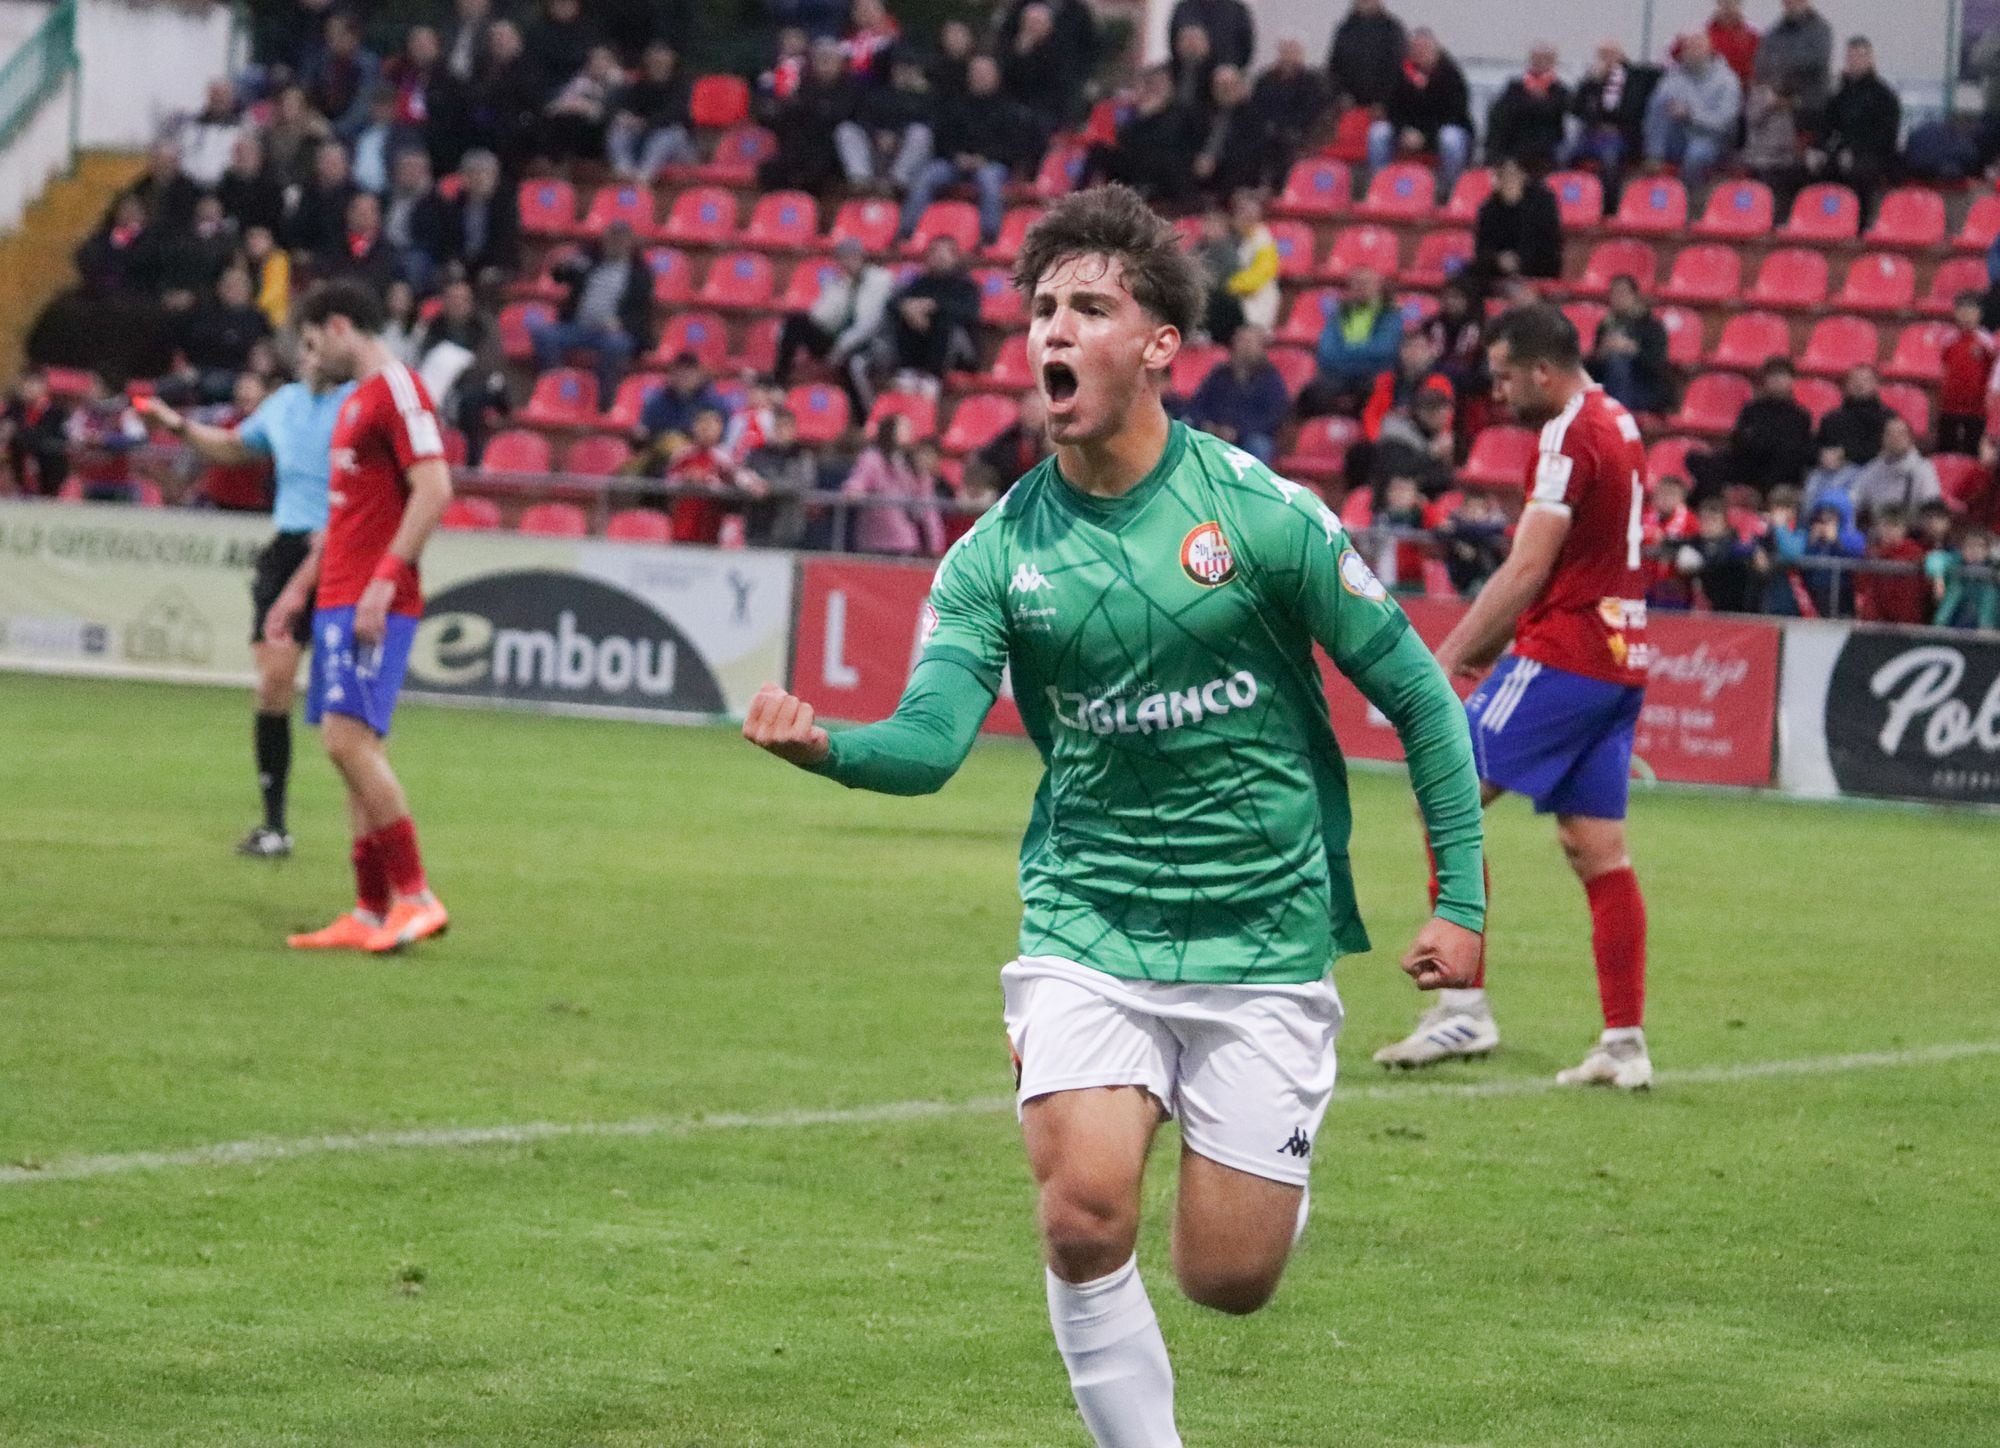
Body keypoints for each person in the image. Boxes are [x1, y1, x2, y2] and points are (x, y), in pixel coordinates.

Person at [741, 182, 1485, 1448]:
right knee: (1082, 1211)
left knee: (1226, 1276)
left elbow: (1417, 695)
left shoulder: (1256, 511)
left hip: (1261, 930)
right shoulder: (991, 554)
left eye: (1088, 305)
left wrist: (1460, 900)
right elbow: (928, 745)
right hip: (1089, 917)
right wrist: (830, 746)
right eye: (1040, 308)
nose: (1053, 331)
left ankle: (1259, 1169)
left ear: (1156, 347)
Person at [1375, 304, 1655, 1091]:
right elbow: (1588, 557)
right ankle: (1624, 1044)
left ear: (1542, 370)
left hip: (1568, 652)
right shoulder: (1619, 421)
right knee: (1596, 850)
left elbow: (1529, 566)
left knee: (1444, 793)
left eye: (1502, 376)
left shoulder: (1568, 433)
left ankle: (1462, 1005)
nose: (1495, 392)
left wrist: (1447, 656)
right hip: (1619, 657)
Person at [268, 281, 453, 955]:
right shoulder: (355, 404)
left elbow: (435, 488)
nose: (311, 358)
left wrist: (382, 581)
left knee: (349, 744)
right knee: (350, 753)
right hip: (340, 596)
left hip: (373, 600)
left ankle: (415, 894)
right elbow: (345, 521)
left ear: (340, 325)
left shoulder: (397, 390)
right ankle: (371, 910)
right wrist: (300, 595)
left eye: (314, 342)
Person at [137, 333, 356, 859]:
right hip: (287, 548)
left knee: (347, 711)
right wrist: (178, 427)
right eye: (303, 348)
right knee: (273, 684)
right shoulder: (283, 405)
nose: (309, 356)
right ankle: (275, 826)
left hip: (343, 547)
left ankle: (367, 834)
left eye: (317, 346)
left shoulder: (357, 404)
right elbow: (236, 447)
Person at [897, 54, 1038, 248]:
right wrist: (957, 156)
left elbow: (1014, 147)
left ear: (996, 76)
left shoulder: (1010, 110)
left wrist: (984, 158)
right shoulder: (955, 104)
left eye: (985, 73)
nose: (980, 77)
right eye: (976, 73)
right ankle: (906, 232)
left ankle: (989, 238)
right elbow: (942, 138)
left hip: (991, 164)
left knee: (989, 181)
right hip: (954, 163)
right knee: (925, 176)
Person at [529, 220, 654, 404]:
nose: (615, 244)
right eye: (611, 239)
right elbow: (559, 277)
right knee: (544, 335)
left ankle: (604, 401)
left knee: (616, 346)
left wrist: (620, 323)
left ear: (629, 244)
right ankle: (554, 389)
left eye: (620, 240)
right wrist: (563, 266)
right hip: (578, 327)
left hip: (614, 331)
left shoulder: (640, 274)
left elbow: (641, 315)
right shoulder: (588, 261)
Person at [866, 236, 980, 404]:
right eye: (934, 253)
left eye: (944, 253)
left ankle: (933, 377)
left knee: (944, 320)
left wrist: (933, 307)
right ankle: (907, 370)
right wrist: (909, 308)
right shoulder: (920, 283)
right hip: (921, 347)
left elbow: (969, 314)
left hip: (959, 351)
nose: (939, 258)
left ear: (954, 257)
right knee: (905, 314)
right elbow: (893, 302)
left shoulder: (966, 286)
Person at [1367, 28, 1472, 194]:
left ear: (1435, 49)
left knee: (1451, 139)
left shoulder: (1451, 75)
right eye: (1415, 48)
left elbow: (1454, 114)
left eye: (1424, 48)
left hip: (1439, 131)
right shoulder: (1400, 74)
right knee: (1378, 133)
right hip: (1406, 133)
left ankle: (1450, 192)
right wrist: (1402, 131)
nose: (1420, 52)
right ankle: (1380, 187)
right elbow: (1391, 109)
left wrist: (1425, 136)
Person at [1084, 65, 1199, 206]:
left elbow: (1168, 139)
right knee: (1099, 149)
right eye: (1151, 84)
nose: (1155, 89)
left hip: (1168, 175)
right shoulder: (1134, 111)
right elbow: (1122, 140)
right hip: (1134, 170)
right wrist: (1144, 117)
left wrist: (1154, 114)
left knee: (1159, 156)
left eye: (1160, 84)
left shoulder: (1182, 113)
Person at [1810, 37, 1899, 218]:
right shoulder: (1840, 93)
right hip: (1842, 152)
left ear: (1870, 59)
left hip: (1872, 155)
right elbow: (1826, 125)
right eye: (1850, 57)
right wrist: (1818, 149)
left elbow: (1887, 135)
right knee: (1812, 169)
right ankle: (1821, 222)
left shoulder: (1884, 95)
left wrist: (1855, 151)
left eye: (1859, 56)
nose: (1854, 61)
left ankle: (1857, 225)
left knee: (1858, 173)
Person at [1644, 30, 1742, 188]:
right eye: (1688, 48)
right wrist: (1654, 151)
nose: (1692, 52)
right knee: (1660, 102)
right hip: (1679, 135)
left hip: (1714, 139)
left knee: (1696, 155)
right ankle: (1654, 171)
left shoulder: (1727, 80)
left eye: (1697, 47)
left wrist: (1691, 114)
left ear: (1709, 50)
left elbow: (1724, 123)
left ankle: (1686, 197)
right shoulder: (1672, 77)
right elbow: (1655, 113)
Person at [1705, 357, 1814, 496]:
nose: (1777, 381)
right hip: (1749, 466)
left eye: (1782, 376)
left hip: (1777, 474)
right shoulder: (1751, 410)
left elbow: (1794, 454)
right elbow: (1739, 442)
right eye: (1772, 376)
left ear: (1792, 381)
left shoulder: (1800, 416)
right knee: (1704, 461)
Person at [841, 413, 946, 556]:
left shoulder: (913, 464)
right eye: (904, 429)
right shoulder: (873, 459)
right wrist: (853, 492)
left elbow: (928, 506)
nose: (909, 433)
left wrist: (936, 543)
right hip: (875, 540)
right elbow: (856, 484)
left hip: (906, 541)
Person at [1304, 266, 1402, 415]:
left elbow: (1384, 350)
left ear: (1378, 287)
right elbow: (1326, 352)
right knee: (1311, 394)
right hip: (1339, 374)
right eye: (1356, 283)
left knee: (1374, 392)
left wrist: (1345, 351)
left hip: (1372, 374)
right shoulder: (1338, 314)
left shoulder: (1389, 314)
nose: (1361, 288)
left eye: (1366, 283)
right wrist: (1359, 356)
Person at [1184, 323, 1286, 463]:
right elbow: (1197, 404)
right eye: (1239, 341)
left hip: (1247, 436)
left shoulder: (1270, 379)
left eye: (1249, 342)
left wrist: (1238, 432)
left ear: (1261, 348)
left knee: (1259, 444)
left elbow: (1273, 417)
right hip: (1212, 431)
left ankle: (1251, 484)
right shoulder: (1219, 374)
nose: (1243, 347)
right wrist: (1207, 425)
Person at [607, 41, 697, 182]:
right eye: (653, 58)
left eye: (662, 57)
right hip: (645, 139)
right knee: (619, 128)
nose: (657, 62)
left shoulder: (682, 85)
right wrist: (625, 118)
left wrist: (644, 123)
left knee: (667, 134)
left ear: (672, 59)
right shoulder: (640, 85)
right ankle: (624, 170)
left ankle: (644, 178)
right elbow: (627, 108)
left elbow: (674, 115)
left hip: (678, 145)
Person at [1567, 40, 1654, 182]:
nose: (1607, 59)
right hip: (1592, 133)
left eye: (1610, 54)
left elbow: (1632, 110)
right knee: (1566, 154)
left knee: (1609, 158)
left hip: (1622, 133)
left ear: (1621, 56)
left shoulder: (1634, 78)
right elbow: (1575, 109)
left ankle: (1609, 200)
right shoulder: (1592, 80)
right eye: (1602, 55)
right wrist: (1591, 84)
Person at [1471, 156, 1561, 288]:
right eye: (1501, 175)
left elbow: (1549, 245)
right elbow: (1482, 248)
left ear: (1523, 175)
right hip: (1496, 271)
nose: (1507, 179)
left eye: (1512, 174)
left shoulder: (1543, 203)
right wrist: (1498, 259)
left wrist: (1519, 261)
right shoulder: (1489, 208)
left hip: (1536, 269)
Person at [1192, 65, 1277, 201]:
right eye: (1220, 85)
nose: (1226, 89)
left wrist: (1215, 163)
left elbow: (1251, 156)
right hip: (1198, 179)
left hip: (1236, 184)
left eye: (1231, 84)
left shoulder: (1254, 117)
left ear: (1241, 86)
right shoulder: (1201, 114)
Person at [1589, 276, 1670, 416]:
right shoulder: (1605, 326)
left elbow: (1656, 365)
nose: (1617, 298)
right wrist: (1601, 354)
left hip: (1642, 389)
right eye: (1613, 294)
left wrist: (1632, 350)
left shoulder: (1652, 326)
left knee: (1619, 362)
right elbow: (1592, 371)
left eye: (1622, 293)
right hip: (1608, 386)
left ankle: (1617, 418)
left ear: (1634, 296)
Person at [1251, 39, 1332, 177]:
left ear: (1301, 55)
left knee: (1287, 146)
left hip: (1298, 132)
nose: (1288, 56)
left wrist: (1287, 126)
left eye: (1292, 52)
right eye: (1284, 52)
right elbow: (1256, 108)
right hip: (1267, 130)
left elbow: (1312, 111)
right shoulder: (1264, 79)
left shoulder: (1312, 81)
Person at [1485, 44, 1571, 172]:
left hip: (1546, 147)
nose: (1540, 63)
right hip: (1513, 143)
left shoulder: (1559, 90)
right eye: (1536, 59)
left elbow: (1552, 112)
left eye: (1545, 59)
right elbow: (1500, 114)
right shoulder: (1514, 86)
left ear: (1553, 63)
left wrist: (1528, 104)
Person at [1755, 0, 1834, 119]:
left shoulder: (1820, 30)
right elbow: (1761, 64)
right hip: (1776, 109)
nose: (1790, 5)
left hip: (1808, 108)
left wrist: (1782, 66)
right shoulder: (1774, 31)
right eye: (1787, 2)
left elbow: (1817, 62)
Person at [1937, 294, 1993, 458]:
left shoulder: (1987, 342)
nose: (1966, 316)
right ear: (1955, 313)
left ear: (1979, 314)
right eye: (1962, 311)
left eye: (1971, 311)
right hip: (1949, 406)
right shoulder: (1948, 340)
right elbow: (1943, 368)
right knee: (1945, 450)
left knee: (1972, 452)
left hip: (1976, 409)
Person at [1850, 417, 1942, 519]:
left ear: (1911, 439)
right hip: (1878, 529)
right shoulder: (1872, 469)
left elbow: (1931, 507)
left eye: (1901, 434)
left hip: (1912, 529)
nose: (1895, 438)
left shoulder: (1924, 469)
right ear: (1882, 438)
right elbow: (1854, 499)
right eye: (1890, 434)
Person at [1327, 0, 1407, 111]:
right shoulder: (1345, 29)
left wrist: (1383, 100)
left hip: (1383, 109)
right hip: (1349, 107)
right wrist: (1341, 94)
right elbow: (1334, 66)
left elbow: (1398, 67)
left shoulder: (1392, 28)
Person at [1855, 506, 1928, 623]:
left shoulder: (1915, 553)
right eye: (1886, 526)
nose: (1890, 531)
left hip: (1907, 620)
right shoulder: (1871, 555)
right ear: (1878, 527)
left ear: (1904, 529)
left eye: (1895, 526)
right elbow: (1863, 587)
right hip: (1876, 620)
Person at [1816, 365, 1893, 466]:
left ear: (1876, 385)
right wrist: (1823, 456)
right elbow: (1819, 447)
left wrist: (1844, 454)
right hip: (1836, 471)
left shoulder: (1889, 418)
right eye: (1854, 380)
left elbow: (1885, 450)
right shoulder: (1831, 419)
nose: (1859, 384)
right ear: (1846, 385)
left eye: (1866, 380)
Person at [1931, 526, 2000, 629]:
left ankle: (1986, 629)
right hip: (1954, 622)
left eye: (1979, 546)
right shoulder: (1955, 562)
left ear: (1987, 550)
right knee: (1956, 587)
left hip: (1986, 625)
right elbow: (1935, 557)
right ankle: (1940, 626)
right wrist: (1938, 578)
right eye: (1968, 546)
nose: (1974, 550)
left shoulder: (1994, 566)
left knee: (1990, 592)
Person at [1169, 0, 1253, 71]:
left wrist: (1230, 66)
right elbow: (1173, 42)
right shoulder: (1185, 8)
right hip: (1190, 73)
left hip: (1225, 74)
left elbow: (1245, 47)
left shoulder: (1236, 11)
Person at [1705, 0, 1760, 89]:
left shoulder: (1752, 35)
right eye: (1724, 3)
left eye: (1733, 3)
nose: (1728, 7)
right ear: (1718, 4)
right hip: (1713, 91)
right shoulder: (1704, 34)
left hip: (1746, 91)